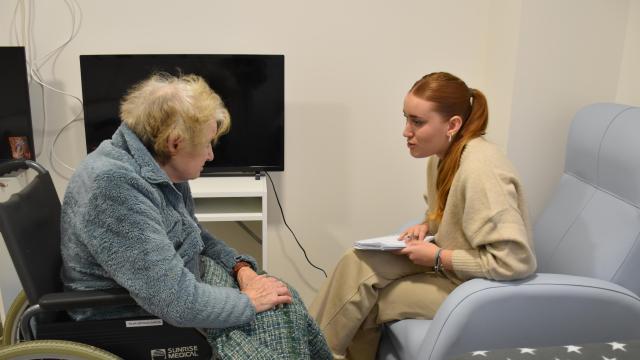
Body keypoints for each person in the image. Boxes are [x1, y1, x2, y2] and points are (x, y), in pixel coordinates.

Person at [60, 73, 331, 359]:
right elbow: (176, 302)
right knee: (274, 324)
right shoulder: (114, 186)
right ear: (175, 143)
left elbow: (193, 233)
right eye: (207, 144)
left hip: (177, 283)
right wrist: (248, 302)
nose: (211, 155)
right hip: (129, 314)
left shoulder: (158, 164)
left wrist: (241, 268)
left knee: (284, 300)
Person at [309, 72, 537, 359]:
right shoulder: (442, 158)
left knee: (368, 302)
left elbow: (516, 260)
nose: (406, 131)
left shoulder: (482, 170)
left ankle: (312, 353)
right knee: (356, 260)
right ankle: (307, 348)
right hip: (450, 269)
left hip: (476, 288)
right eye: (406, 118)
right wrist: (426, 225)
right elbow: (452, 216)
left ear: (453, 125)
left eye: (417, 122)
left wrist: (439, 257)